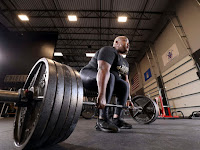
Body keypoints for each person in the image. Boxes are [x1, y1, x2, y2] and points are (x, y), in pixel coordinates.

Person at [80, 36, 134, 133]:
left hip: (107, 78)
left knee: (123, 85)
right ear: (116, 42)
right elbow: (103, 70)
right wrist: (101, 95)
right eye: (126, 42)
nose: (128, 45)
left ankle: (117, 119)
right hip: (89, 75)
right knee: (110, 76)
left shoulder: (125, 63)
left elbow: (126, 81)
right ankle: (102, 120)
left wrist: (128, 98)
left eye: (129, 44)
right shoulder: (108, 50)